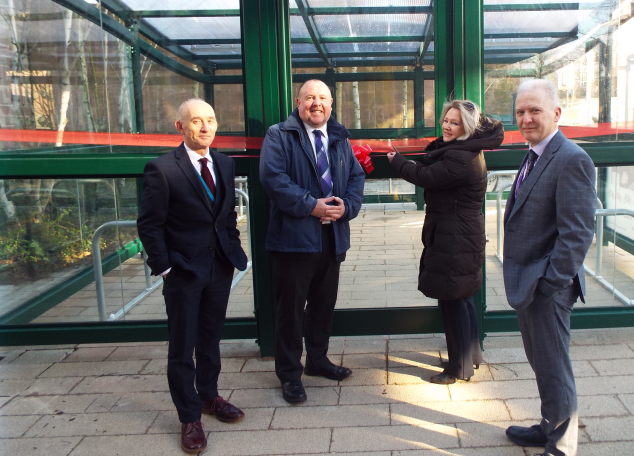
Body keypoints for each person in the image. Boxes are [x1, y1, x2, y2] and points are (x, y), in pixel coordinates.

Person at [137, 98, 249, 454]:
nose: (205, 127)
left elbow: (226, 214)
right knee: (183, 346)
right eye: (196, 121)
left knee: (211, 339)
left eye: (211, 120)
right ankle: (189, 417)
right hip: (183, 271)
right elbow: (150, 225)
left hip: (219, 267)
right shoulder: (162, 169)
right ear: (180, 127)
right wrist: (166, 268)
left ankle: (209, 397)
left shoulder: (225, 163)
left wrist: (232, 248)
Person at [502, 79, 597, 456]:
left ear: (557, 113)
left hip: (547, 285)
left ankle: (562, 444)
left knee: (554, 367)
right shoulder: (536, 154)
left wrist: (549, 282)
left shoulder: (571, 158)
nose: (526, 118)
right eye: (521, 112)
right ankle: (548, 425)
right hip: (532, 281)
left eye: (535, 111)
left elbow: (577, 233)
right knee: (542, 361)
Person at [259, 79, 366, 404]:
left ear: (331, 104)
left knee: (323, 306)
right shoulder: (279, 134)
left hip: (332, 238)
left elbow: (357, 177)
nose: (315, 103)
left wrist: (347, 206)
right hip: (294, 240)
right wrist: (312, 205)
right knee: (290, 312)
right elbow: (273, 178)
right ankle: (290, 374)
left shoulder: (339, 137)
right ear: (298, 102)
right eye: (309, 98)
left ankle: (317, 360)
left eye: (322, 98)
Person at [387, 100, 504, 384]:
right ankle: (471, 356)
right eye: (446, 120)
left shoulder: (461, 158)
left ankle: (458, 368)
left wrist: (397, 161)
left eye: (455, 122)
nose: (447, 126)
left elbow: (425, 176)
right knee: (462, 297)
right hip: (459, 231)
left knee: (453, 300)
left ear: (467, 126)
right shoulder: (465, 149)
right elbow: (434, 161)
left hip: (455, 235)